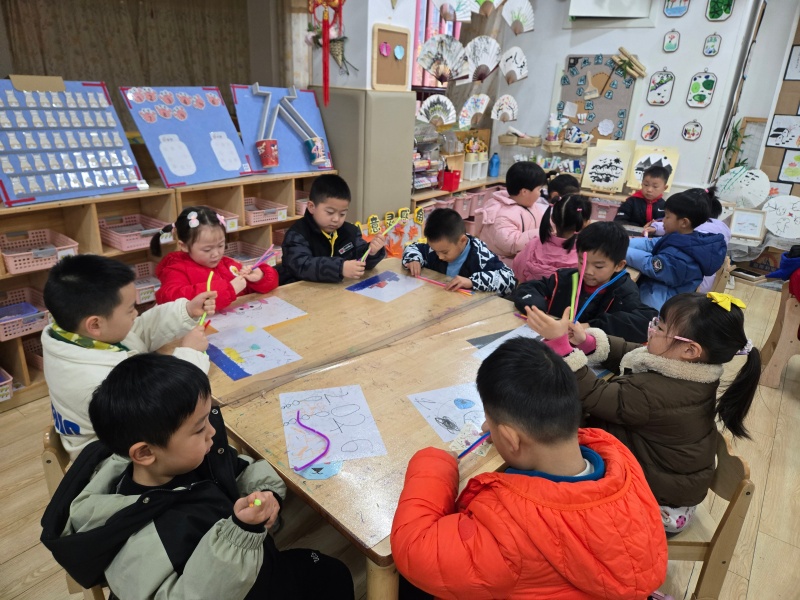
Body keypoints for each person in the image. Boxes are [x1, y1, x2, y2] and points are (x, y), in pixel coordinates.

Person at [40, 354, 355, 599]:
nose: (212, 433)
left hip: (251, 566)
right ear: (145, 452)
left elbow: (238, 468)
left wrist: (264, 494)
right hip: (236, 583)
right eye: (200, 427)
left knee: (331, 572)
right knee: (333, 576)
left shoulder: (185, 459)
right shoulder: (138, 536)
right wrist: (240, 534)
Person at [391, 337, 667, 599]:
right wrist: (506, 431)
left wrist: (434, 464)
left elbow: (414, 549)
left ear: (511, 439)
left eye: (491, 424)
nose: (487, 427)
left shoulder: (507, 535)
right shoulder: (617, 456)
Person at [525, 291, 759, 535]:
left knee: (552, 476)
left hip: (657, 506)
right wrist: (587, 342)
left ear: (690, 350)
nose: (652, 329)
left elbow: (595, 396)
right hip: (670, 480)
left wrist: (562, 349)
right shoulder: (691, 369)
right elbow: (635, 354)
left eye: (661, 327)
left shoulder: (658, 393)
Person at [41, 254, 214, 460]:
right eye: (130, 309)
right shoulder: (97, 380)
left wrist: (186, 311)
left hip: (129, 437)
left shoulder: (73, 334)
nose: (135, 314)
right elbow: (168, 403)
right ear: (95, 324)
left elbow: (135, 333)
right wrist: (191, 354)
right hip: (115, 460)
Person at [513, 221, 656, 343]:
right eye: (582, 261)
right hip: (554, 344)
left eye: (598, 266)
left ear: (619, 265)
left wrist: (588, 327)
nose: (588, 271)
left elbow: (647, 321)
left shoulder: (623, 290)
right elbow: (528, 289)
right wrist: (541, 314)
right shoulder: (565, 278)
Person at [153, 206, 279, 311]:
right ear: (184, 246)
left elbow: (258, 291)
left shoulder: (228, 264)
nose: (216, 254)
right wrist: (229, 290)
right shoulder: (176, 269)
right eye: (207, 249)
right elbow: (169, 299)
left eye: (220, 245)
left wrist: (260, 278)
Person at [626, 188, 727, 310]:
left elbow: (649, 264)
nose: (663, 220)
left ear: (684, 222)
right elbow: (650, 244)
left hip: (658, 308)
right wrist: (622, 242)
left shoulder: (682, 257)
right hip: (653, 292)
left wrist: (620, 250)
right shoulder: (683, 239)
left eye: (667, 217)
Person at [277, 174, 386, 284]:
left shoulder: (350, 232)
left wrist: (371, 252)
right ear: (311, 207)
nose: (336, 219)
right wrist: (339, 268)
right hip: (300, 290)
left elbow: (362, 263)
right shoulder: (297, 234)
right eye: (330, 212)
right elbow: (301, 266)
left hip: (336, 291)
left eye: (342, 214)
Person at [402, 208, 516, 294]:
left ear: (462, 240)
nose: (439, 256)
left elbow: (510, 279)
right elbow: (412, 247)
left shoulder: (481, 256)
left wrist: (472, 282)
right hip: (438, 301)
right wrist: (413, 259)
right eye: (435, 251)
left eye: (445, 252)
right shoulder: (436, 248)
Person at [645, 188, 731, 293]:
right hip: (699, 287)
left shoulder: (699, 233)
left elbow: (682, 231)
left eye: (667, 216)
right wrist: (657, 227)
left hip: (690, 290)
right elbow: (682, 228)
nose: (664, 219)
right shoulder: (716, 230)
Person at [474, 161, 549, 266]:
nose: (540, 193)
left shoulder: (530, 205)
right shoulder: (502, 214)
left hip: (523, 260)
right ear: (524, 192)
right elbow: (512, 244)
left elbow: (540, 223)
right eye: (539, 189)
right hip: (500, 266)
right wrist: (542, 232)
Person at [512, 193, 593, 283]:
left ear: (552, 218)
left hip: (531, 291)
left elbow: (518, 272)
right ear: (586, 223)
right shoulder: (586, 255)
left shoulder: (533, 245)